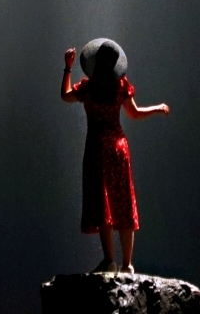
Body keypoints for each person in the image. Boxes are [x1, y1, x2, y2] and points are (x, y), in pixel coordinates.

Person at [61, 37, 170, 274]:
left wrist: (67, 67)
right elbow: (135, 113)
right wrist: (158, 108)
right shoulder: (120, 86)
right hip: (119, 148)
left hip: (97, 149)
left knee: (104, 203)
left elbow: (65, 95)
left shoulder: (88, 88)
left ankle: (110, 260)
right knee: (122, 201)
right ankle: (128, 265)